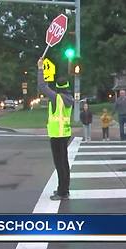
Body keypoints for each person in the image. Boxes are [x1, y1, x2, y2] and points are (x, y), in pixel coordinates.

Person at [37, 58, 74, 200]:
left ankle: (62, 192)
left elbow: (42, 86)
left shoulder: (57, 98)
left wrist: (40, 68)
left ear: (58, 87)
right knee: (64, 163)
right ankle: (64, 189)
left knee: (60, 164)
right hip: (64, 134)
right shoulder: (69, 98)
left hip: (57, 135)